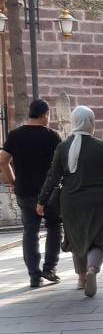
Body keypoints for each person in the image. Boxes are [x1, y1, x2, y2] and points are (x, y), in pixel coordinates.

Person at [37, 106, 103, 298]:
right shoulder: (101, 146)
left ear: (74, 122)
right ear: (91, 122)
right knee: (97, 238)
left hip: (71, 202)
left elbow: (53, 177)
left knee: (76, 238)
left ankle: (82, 279)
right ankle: (92, 268)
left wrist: (41, 201)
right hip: (99, 201)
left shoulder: (63, 147)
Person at [0, 99, 62, 289]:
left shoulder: (15, 135)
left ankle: (34, 276)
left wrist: (13, 182)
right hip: (49, 193)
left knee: (30, 232)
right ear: (45, 114)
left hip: (25, 191)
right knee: (54, 227)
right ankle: (49, 268)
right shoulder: (52, 136)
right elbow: (61, 164)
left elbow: (3, 161)